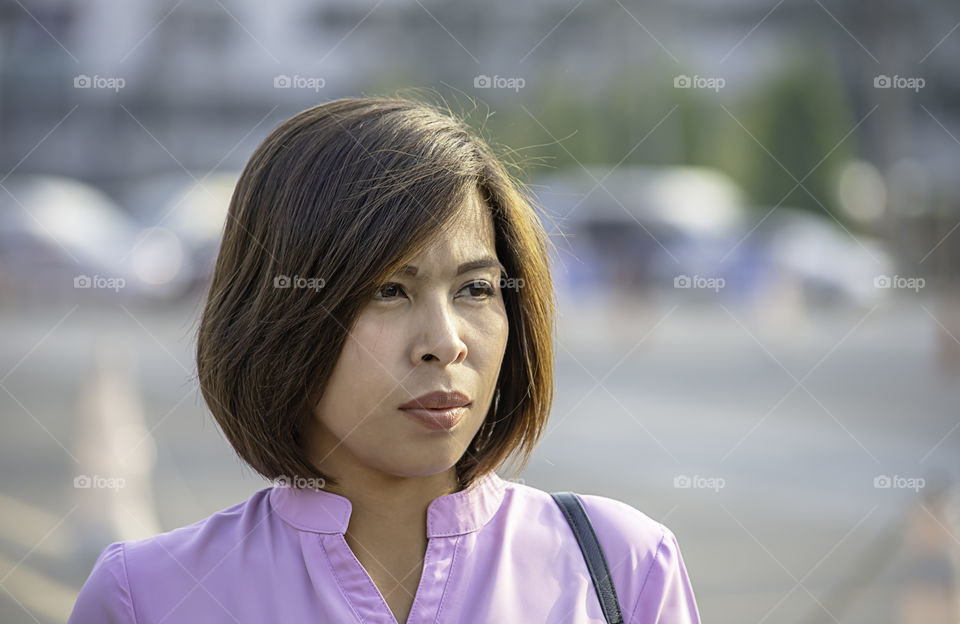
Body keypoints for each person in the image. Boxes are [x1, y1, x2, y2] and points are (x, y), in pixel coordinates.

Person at [68, 95, 702, 623]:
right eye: (388, 290)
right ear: (276, 313)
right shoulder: (145, 597)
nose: (445, 341)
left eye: (476, 289)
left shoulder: (622, 568)